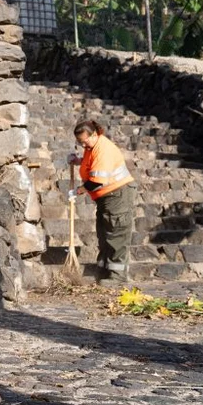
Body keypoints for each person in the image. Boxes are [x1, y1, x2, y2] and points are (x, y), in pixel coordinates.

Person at [66, 119, 136, 283]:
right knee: (103, 234)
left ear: (94, 134)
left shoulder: (103, 149)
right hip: (106, 198)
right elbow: (91, 164)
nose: (83, 145)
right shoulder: (92, 147)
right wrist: (78, 161)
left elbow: (98, 180)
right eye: (80, 142)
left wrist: (78, 191)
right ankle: (105, 271)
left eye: (85, 141)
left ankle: (118, 276)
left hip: (118, 195)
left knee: (116, 233)